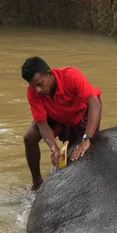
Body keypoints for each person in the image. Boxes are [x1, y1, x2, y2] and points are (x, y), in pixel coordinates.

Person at [21, 56, 102, 191]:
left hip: (81, 113)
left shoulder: (72, 76)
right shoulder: (33, 92)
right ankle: (36, 182)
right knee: (29, 137)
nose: (38, 91)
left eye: (40, 84)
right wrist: (53, 147)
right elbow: (41, 123)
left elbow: (95, 105)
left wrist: (87, 138)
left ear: (50, 74)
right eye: (33, 86)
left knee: (81, 152)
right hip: (55, 113)